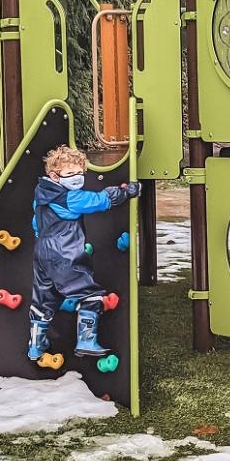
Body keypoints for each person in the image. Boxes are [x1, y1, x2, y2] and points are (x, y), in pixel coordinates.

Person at [28, 146, 139, 365]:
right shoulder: (70, 197)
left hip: (43, 251)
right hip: (64, 253)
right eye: (71, 175)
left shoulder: (41, 195)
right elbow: (99, 200)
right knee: (91, 295)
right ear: (55, 176)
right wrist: (127, 192)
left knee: (44, 300)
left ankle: (35, 346)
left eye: (80, 174)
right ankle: (86, 341)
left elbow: (36, 223)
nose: (77, 179)